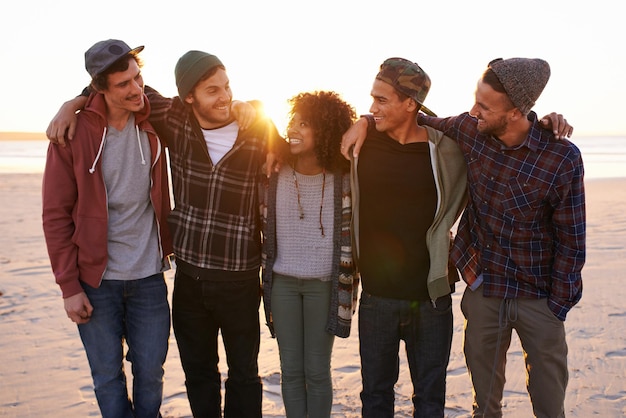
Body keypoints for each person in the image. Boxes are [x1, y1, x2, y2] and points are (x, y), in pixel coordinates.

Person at [46, 49, 287, 418]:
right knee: (169, 376)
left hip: (210, 278)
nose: (224, 97)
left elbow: (297, 148)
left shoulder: (248, 128)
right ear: (189, 96)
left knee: (223, 375)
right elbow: (112, 88)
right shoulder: (167, 118)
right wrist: (71, 105)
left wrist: (265, 123)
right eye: (212, 90)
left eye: (227, 87)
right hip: (158, 279)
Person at [345, 57, 585, 418]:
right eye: (475, 100)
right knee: (484, 406)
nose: (473, 111)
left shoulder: (560, 157)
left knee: (549, 406)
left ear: (517, 112)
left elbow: (572, 239)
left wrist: (558, 307)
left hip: (536, 297)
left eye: (484, 106)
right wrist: (363, 120)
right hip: (483, 291)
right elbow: (416, 117)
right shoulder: (471, 130)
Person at [42, 39, 174, 418]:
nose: (136, 89)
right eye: (123, 84)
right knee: (106, 377)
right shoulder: (73, 133)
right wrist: (69, 287)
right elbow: (54, 216)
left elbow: (194, 108)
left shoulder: (152, 117)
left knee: (151, 375)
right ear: (100, 88)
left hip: (149, 276)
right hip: (95, 282)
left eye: (138, 78)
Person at [346, 57, 469, 417]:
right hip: (376, 299)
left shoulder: (446, 149)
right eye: (372, 99)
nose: (372, 108)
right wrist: (364, 121)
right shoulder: (363, 144)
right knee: (375, 399)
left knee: (430, 402)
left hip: (431, 301)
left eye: (382, 101)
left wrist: (547, 122)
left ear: (410, 104)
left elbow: (499, 133)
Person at [259, 91, 359, 417]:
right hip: (283, 284)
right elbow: (249, 112)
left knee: (316, 370)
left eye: (305, 123)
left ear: (326, 132)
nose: (293, 128)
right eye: (293, 120)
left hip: (324, 284)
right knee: (291, 369)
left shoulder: (344, 178)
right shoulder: (274, 171)